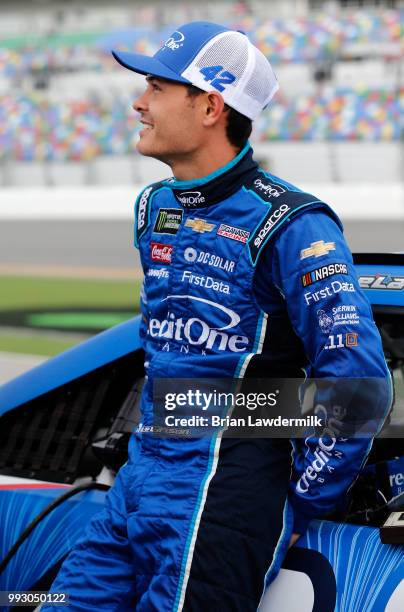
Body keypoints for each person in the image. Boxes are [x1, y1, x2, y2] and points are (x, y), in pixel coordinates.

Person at [43, 21, 392, 611]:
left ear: (210, 106)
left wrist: (297, 500)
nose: (138, 101)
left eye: (156, 87)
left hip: (220, 496)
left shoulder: (292, 224)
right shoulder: (154, 206)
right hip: (140, 476)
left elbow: (359, 392)